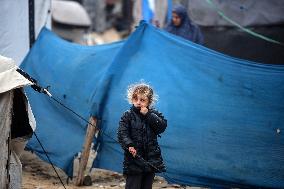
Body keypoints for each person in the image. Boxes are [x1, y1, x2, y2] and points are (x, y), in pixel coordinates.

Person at [117, 82, 167, 189]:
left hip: (150, 159)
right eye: (136, 99)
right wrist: (129, 145)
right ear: (132, 99)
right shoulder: (128, 115)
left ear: (149, 101)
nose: (138, 102)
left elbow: (162, 127)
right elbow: (122, 133)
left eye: (142, 100)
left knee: (147, 186)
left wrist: (148, 115)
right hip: (134, 159)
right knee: (133, 186)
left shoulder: (154, 114)